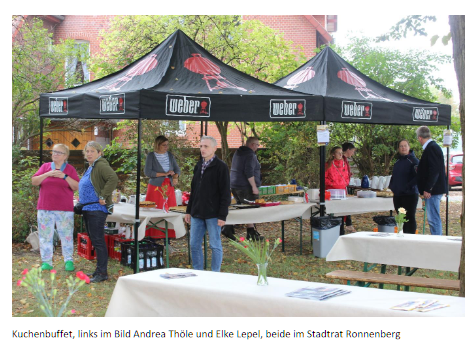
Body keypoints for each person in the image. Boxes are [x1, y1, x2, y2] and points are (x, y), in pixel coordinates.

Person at [184, 136, 230, 272]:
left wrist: (222, 215)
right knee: (194, 244)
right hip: (197, 212)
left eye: (206, 146)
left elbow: (225, 193)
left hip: (214, 214)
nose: (202, 149)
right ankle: (198, 272)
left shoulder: (221, 167)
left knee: (215, 245)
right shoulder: (198, 166)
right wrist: (189, 210)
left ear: (214, 148)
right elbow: (194, 190)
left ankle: (215, 274)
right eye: (201, 146)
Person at [32, 144, 79, 271]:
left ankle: (68, 260)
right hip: (45, 208)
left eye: (59, 152)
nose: (55, 154)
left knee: (67, 235)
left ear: (65, 156)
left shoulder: (70, 169)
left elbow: (76, 186)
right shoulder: (45, 167)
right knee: (45, 236)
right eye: (54, 151)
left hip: (64, 209)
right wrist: (47, 174)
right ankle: (46, 261)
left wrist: (64, 176)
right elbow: (34, 181)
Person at [79, 141, 118, 282]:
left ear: (99, 153)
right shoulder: (91, 166)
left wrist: (103, 195)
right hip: (88, 208)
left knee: (99, 241)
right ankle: (98, 271)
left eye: (92, 151)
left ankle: (102, 273)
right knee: (95, 240)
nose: (89, 153)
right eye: (87, 151)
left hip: (96, 209)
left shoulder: (100, 164)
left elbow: (113, 178)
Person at [222, 137, 262, 241]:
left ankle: (251, 232)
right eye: (257, 145)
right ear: (252, 145)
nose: (258, 147)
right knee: (251, 208)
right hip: (245, 187)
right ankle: (227, 227)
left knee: (243, 208)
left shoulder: (238, 152)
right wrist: (254, 187)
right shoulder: (250, 155)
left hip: (235, 185)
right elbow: (249, 172)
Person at [415, 126, 447, 235]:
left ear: (420, 138)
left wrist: (428, 188)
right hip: (433, 189)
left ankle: (438, 242)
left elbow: (434, 170)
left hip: (433, 190)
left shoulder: (431, 148)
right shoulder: (433, 147)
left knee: (433, 219)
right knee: (433, 218)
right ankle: (437, 239)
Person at [389, 140, 420, 234]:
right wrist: (392, 187)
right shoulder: (397, 162)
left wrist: (408, 187)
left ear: (409, 147)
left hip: (410, 194)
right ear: (398, 148)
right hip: (398, 195)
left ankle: (410, 237)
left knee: (409, 217)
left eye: (405, 146)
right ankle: (402, 236)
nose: (403, 148)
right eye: (401, 146)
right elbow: (394, 176)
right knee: (400, 217)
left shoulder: (414, 161)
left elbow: (418, 177)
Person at [144, 135, 181, 209]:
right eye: (164, 145)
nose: (166, 147)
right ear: (157, 145)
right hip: (155, 186)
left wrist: (175, 177)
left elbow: (177, 169)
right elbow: (147, 172)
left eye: (167, 145)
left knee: (170, 209)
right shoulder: (151, 156)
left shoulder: (170, 155)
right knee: (154, 209)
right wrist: (164, 174)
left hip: (169, 186)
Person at [325, 146, 354, 234]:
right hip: (332, 193)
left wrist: (345, 183)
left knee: (342, 212)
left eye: (342, 152)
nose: (341, 154)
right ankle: (334, 232)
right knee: (334, 213)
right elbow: (324, 178)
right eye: (338, 153)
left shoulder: (344, 163)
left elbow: (347, 176)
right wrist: (334, 184)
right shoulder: (328, 164)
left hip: (342, 192)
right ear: (333, 154)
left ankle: (341, 232)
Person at [342, 142, 356, 232]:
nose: (353, 153)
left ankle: (348, 223)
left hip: (344, 184)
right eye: (353, 151)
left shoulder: (345, 159)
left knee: (346, 204)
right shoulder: (341, 159)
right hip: (340, 186)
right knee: (344, 205)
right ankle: (347, 224)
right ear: (348, 150)